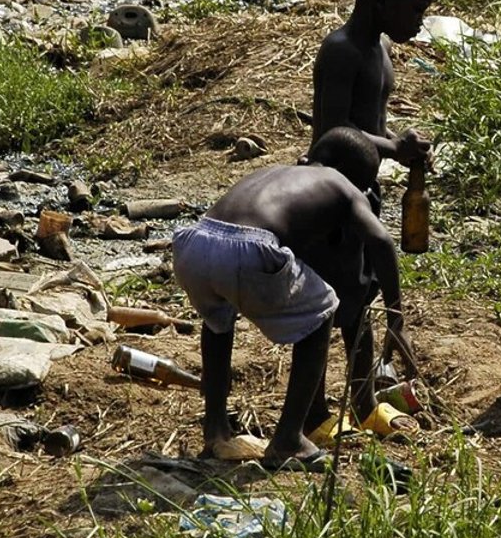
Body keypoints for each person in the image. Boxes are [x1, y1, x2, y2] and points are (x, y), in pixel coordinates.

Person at [171, 128, 414, 469]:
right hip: (247, 245)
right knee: (323, 311)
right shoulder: (342, 185)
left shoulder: (278, 173)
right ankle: (288, 440)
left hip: (194, 243)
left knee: (218, 322)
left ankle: (215, 429)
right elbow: (381, 242)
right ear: (355, 176)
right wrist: (396, 320)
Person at [312, 0, 437, 173]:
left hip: (362, 179)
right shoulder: (342, 51)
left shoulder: (382, 47)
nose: (421, 22)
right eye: (417, 10)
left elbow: (368, 123)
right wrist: (395, 147)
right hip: (328, 179)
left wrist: (402, 146)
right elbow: (334, 129)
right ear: (381, 0)